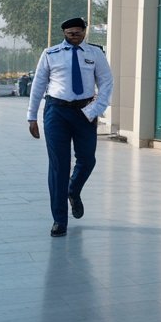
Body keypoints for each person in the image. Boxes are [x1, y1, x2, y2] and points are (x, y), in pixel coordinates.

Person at [27, 17, 114, 237]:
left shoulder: (95, 54)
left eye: (78, 32)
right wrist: (32, 116)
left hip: (85, 112)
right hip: (56, 111)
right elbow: (38, 84)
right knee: (59, 166)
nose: (74, 36)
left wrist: (96, 109)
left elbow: (106, 82)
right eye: (70, 33)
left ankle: (73, 190)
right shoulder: (50, 54)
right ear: (64, 33)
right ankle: (59, 220)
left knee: (87, 159)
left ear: (85, 32)